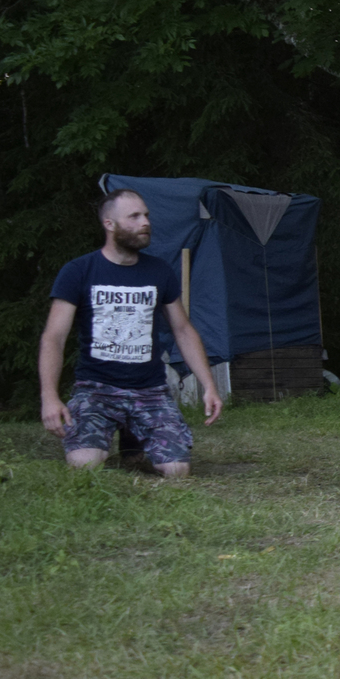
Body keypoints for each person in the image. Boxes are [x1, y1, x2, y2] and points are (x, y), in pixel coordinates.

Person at [39, 189, 222, 476]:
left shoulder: (159, 271)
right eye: (134, 216)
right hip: (96, 389)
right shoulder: (79, 271)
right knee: (84, 466)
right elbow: (54, 337)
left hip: (149, 390)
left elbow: (183, 330)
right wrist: (49, 396)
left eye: (146, 215)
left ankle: (132, 437)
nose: (145, 222)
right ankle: (123, 432)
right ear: (109, 224)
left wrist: (209, 385)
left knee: (176, 471)